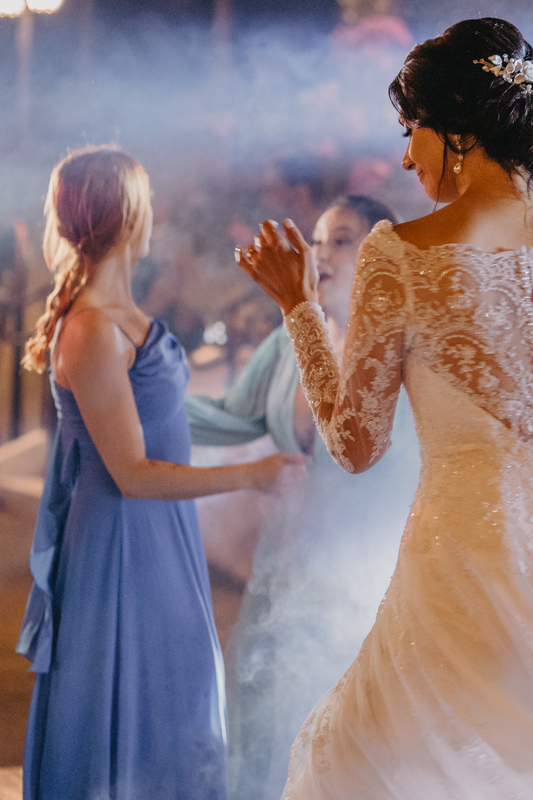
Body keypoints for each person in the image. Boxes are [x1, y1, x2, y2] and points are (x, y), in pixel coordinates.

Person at [237, 17, 533, 800]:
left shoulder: (401, 255)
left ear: (457, 128)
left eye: (412, 128)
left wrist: (300, 308)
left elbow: (355, 445)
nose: (406, 156)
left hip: (473, 554)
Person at [15, 146, 301, 800]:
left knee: (177, 687)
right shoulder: (90, 329)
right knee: (144, 697)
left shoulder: (122, 313)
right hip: (120, 541)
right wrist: (251, 473)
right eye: (147, 200)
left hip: (159, 534)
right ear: (128, 216)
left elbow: (159, 410)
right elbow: (134, 475)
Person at [187, 195, 418, 800]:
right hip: (285, 565)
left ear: (381, 250)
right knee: (268, 723)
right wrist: (136, 401)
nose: (321, 254)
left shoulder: (404, 349)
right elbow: (232, 416)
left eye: (341, 239)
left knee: (345, 736)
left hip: (364, 576)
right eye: (316, 241)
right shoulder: (290, 341)